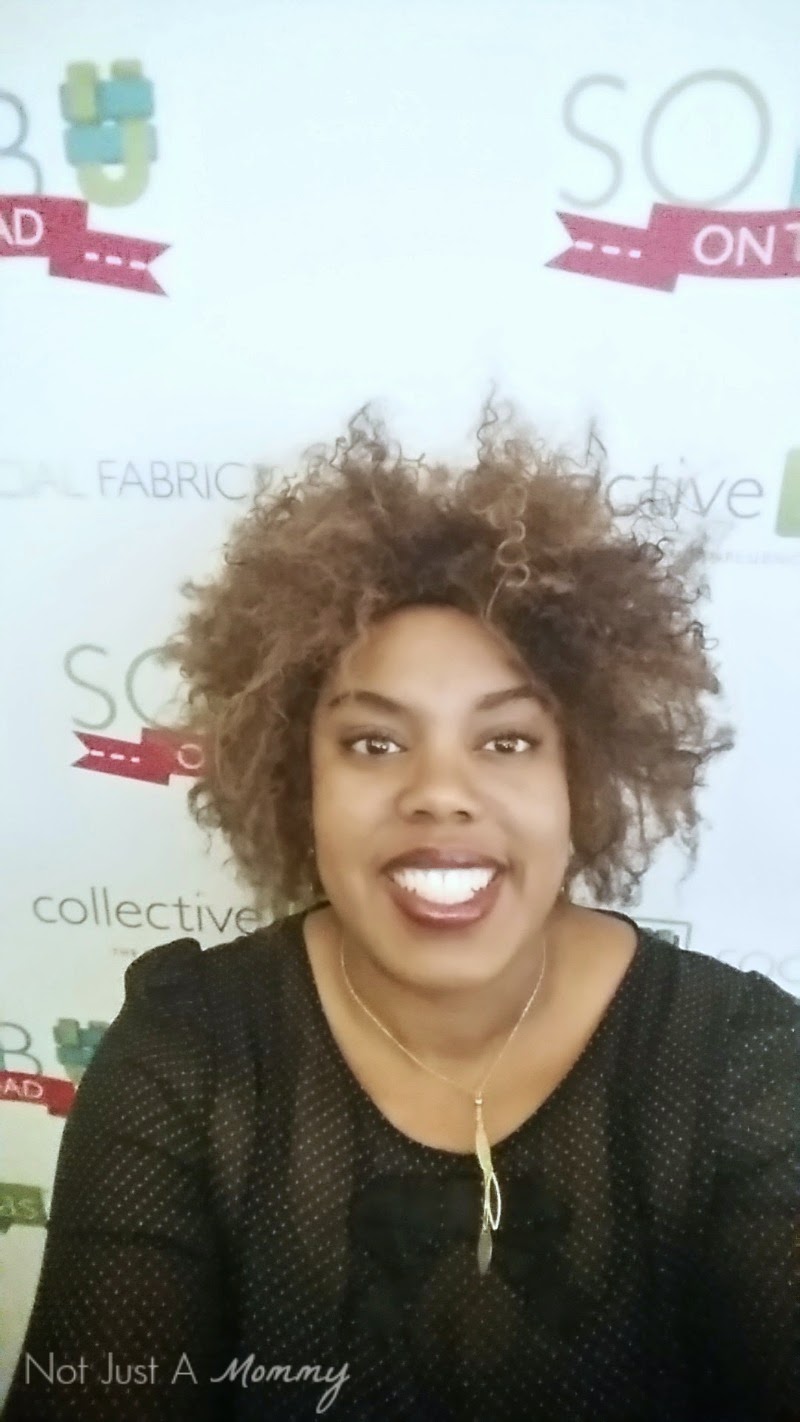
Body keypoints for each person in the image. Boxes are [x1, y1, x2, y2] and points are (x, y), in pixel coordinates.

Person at [3, 396, 797, 1421]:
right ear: (296, 781)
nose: (438, 793)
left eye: (506, 741)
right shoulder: (188, 1055)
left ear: (583, 779)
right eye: (374, 743)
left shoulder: (740, 1062)